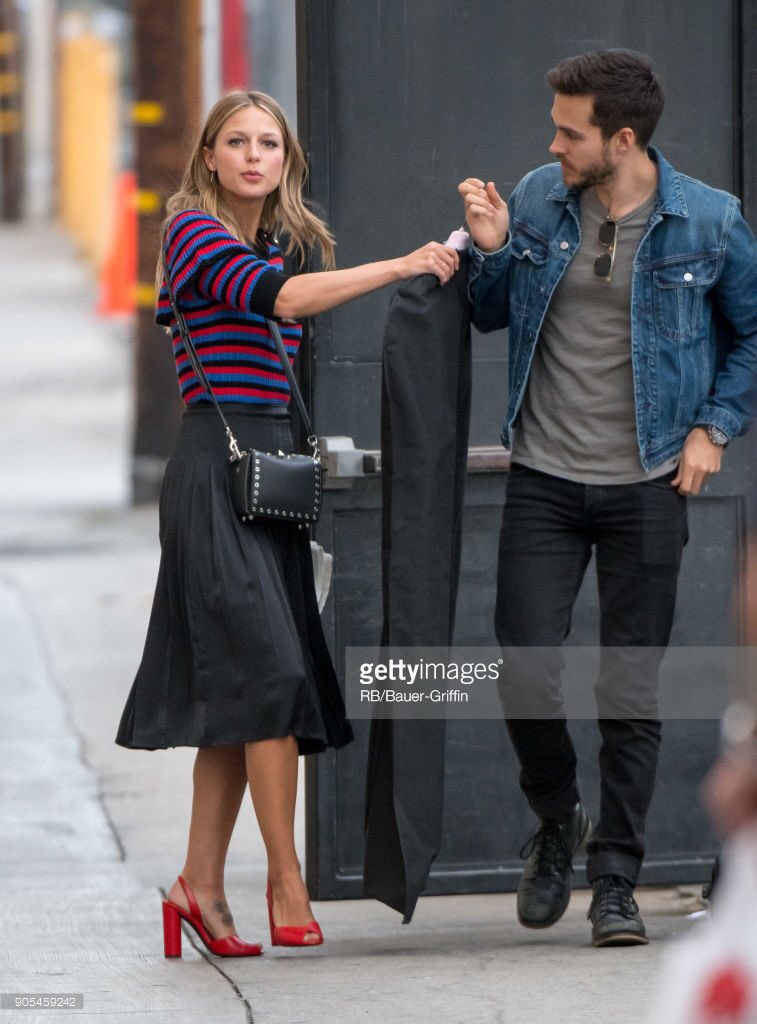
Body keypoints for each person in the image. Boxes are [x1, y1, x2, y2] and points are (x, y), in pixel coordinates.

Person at [115, 89, 459, 957]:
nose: (254, 156)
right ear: (210, 155)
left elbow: (288, 308)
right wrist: (401, 266)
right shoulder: (194, 233)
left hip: (272, 479)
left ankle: (197, 887)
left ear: (285, 159)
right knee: (268, 677)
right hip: (212, 470)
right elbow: (284, 302)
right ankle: (285, 877)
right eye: (237, 141)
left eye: (269, 142)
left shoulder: (283, 239)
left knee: (245, 692)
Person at [459, 50, 757, 947]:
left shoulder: (708, 221)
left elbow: (750, 337)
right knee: (522, 662)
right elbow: (487, 310)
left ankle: (616, 879)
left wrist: (712, 428)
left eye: (568, 131)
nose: (552, 144)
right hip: (545, 477)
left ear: (620, 139)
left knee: (629, 689)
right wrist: (487, 247)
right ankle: (556, 819)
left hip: (647, 481)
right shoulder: (539, 198)